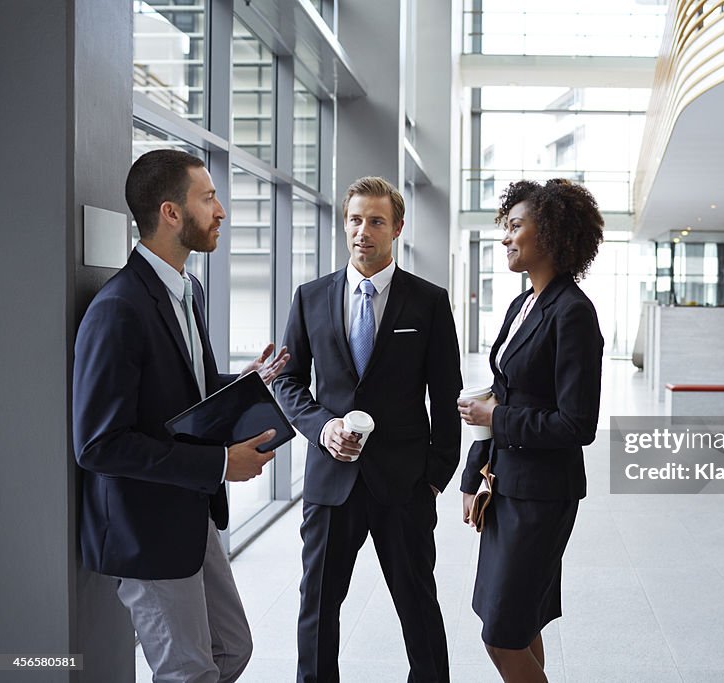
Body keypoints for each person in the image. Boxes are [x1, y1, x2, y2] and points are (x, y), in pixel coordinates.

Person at [73, 149, 289, 682]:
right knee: (188, 673)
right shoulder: (119, 308)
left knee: (232, 650)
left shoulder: (185, 290)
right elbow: (99, 444)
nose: (221, 211)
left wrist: (243, 385)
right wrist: (219, 464)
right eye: (209, 197)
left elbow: (179, 395)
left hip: (190, 513)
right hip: (146, 528)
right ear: (171, 213)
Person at [275, 176, 462, 683]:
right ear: (345, 224)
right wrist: (322, 428)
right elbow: (289, 383)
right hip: (330, 483)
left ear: (397, 228)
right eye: (355, 219)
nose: (364, 231)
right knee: (316, 608)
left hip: (404, 484)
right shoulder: (310, 297)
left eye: (376, 221)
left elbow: (445, 397)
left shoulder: (427, 302)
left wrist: (436, 476)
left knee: (418, 607)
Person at [458, 178, 604, 683]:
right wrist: (471, 474)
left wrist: (495, 418)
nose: (505, 237)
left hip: (542, 497)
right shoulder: (523, 306)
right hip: (506, 486)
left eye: (516, 226)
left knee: (501, 633)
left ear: (552, 233)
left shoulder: (573, 313)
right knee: (520, 621)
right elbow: (501, 390)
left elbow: (577, 423)